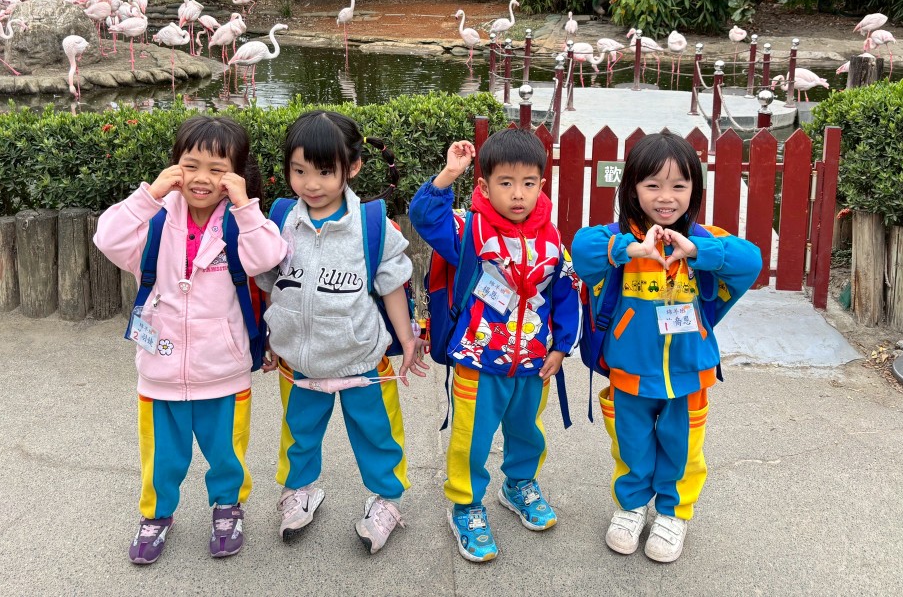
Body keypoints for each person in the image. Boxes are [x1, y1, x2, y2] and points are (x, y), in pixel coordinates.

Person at [94, 115, 288, 565]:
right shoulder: (154, 222)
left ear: (236, 174)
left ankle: (228, 508)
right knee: (162, 457)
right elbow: (107, 237)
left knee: (227, 454)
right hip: (160, 371)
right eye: (191, 165)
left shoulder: (239, 226)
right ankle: (156, 515)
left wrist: (245, 206)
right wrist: (150, 195)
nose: (202, 178)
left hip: (224, 370)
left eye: (218, 169)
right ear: (174, 166)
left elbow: (269, 257)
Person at [571, 130, 762, 564]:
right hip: (630, 371)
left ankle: (674, 513)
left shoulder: (705, 239)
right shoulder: (616, 239)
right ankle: (631, 506)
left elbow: (751, 260)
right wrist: (630, 248)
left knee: (683, 448)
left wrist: (697, 251)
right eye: (653, 184)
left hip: (690, 373)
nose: (666, 197)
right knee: (630, 445)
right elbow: (581, 250)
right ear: (632, 188)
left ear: (694, 189)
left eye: (679, 185)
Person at [258, 110, 425, 554]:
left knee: (377, 434)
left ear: (352, 168)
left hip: (361, 358)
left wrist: (407, 340)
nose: (311, 184)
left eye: (324, 172)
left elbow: (392, 284)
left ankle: (386, 500)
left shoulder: (371, 224)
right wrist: (270, 337)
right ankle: (299, 490)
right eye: (299, 171)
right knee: (298, 432)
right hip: (299, 360)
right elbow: (270, 283)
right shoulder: (280, 219)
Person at [409, 128, 580, 563]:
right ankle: (466, 505)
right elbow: (424, 217)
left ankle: (519, 484)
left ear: (541, 184)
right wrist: (450, 174)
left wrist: (561, 346)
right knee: (472, 438)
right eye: (506, 183)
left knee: (527, 431)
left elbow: (565, 293)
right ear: (485, 187)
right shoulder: (469, 229)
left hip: (534, 361)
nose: (518, 194)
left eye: (528, 183)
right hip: (478, 360)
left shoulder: (552, 239)